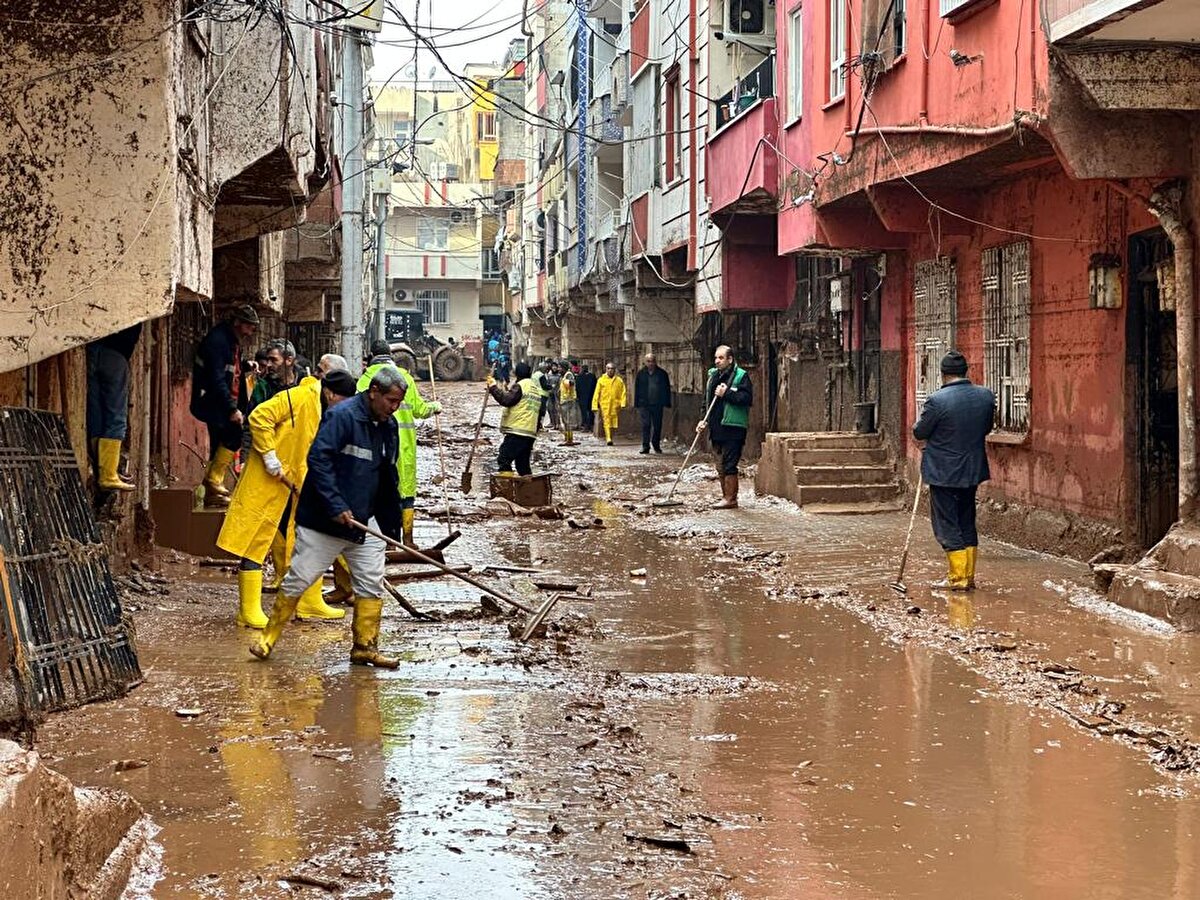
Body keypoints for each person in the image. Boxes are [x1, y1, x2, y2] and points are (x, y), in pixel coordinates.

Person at [250, 367, 408, 668]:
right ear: (373, 391)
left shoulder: (389, 425)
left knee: (371, 583)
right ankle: (268, 638)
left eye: (398, 402)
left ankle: (365, 647)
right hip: (325, 520)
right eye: (390, 400)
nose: (394, 407)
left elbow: (388, 474)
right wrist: (336, 506)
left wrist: (391, 522)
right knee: (300, 577)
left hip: (366, 520)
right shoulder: (342, 417)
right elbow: (318, 460)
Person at [216, 367, 358, 628]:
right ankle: (248, 610)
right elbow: (259, 417)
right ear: (330, 392)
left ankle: (309, 601)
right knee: (255, 542)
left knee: (306, 541)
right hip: (268, 481)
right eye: (342, 401)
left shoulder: (327, 410)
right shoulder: (297, 398)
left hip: (296, 487)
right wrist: (270, 456)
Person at [912, 350, 996, 591]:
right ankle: (968, 576)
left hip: (944, 472)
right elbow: (986, 428)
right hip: (972, 470)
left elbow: (920, 432)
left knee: (947, 524)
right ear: (965, 371)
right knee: (966, 521)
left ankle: (958, 579)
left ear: (943, 374)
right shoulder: (985, 396)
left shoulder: (937, 401)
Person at [355, 339, 441, 547]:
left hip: (374, 444)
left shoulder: (365, 381)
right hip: (405, 444)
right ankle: (408, 540)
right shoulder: (405, 379)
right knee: (406, 489)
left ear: (371, 356)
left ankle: (385, 541)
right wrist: (435, 406)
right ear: (391, 357)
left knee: (379, 489)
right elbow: (420, 410)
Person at [191, 304, 259, 507]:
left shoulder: (230, 341)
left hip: (220, 400)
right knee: (232, 436)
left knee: (220, 442)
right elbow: (217, 378)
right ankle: (213, 481)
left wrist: (246, 365)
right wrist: (231, 409)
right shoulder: (218, 341)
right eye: (249, 326)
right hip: (213, 401)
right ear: (237, 323)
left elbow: (230, 369)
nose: (251, 331)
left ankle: (211, 489)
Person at [87, 322, 142, 492]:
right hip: (116, 355)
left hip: (92, 350)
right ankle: (109, 474)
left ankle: (99, 465)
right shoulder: (136, 307)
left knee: (96, 411)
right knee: (116, 416)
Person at [697, 345, 753, 509]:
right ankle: (725, 496)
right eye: (716, 358)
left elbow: (746, 399)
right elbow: (705, 400)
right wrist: (702, 420)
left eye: (721, 358)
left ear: (730, 359)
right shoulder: (712, 376)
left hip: (733, 427)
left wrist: (727, 393)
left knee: (729, 464)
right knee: (720, 464)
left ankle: (731, 499)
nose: (717, 361)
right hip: (716, 427)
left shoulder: (741, 376)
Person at [488, 362, 546, 475]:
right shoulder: (535, 389)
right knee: (522, 465)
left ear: (516, 373)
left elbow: (506, 400)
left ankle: (507, 490)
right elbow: (540, 412)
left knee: (504, 459)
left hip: (518, 431)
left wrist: (493, 387)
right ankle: (530, 490)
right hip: (530, 433)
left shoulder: (521, 386)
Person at [634, 353, 672, 455]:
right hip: (644, 404)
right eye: (648, 361)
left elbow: (666, 389)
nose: (651, 363)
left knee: (657, 425)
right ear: (645, 362)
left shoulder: (662, 374)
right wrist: (636, 403)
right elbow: (637, 389)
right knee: (646, 425)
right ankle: (645, 446)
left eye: (652, 361)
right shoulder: (641, 374)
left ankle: (656, 445)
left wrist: (667, 402)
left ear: (656, 361)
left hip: (657, 404)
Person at [592, 362, 627, 446]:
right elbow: (597, 393)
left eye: (612, 369)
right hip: (605, 404)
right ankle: (608, 438)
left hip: (616, 405)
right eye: (608, 368)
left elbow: (623, 392)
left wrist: (623, 403)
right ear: (606, 369)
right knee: (606, 421)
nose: (610, 370)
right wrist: (594, 405)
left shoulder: (619, 381)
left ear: (615, 370)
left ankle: (611, 436)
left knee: (614, 423)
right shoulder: (601, 380)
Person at [558, 362, 581, 446]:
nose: (558, 369)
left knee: (568, 421)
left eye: (560, 367)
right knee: (565, 421)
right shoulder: (564, 376)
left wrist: (566, 382)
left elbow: (571, 383)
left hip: (568, 401)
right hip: (565, 400)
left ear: (563, 368)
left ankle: (569, 439)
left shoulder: (568, 375)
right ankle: (567, 438)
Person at [576, 364, 597, 432]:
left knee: (584, 412)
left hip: (582, 397)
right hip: (591, 396)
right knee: (591, 411)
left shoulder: (579, 377)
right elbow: (595, 386)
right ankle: (591, 426)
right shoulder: (592, 376)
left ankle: (585, 426)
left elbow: (577, 388)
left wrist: (577, 396)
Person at [545, 361, 563, 430]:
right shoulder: (549, 375)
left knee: (556, 410)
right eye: (553, 366)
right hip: (550, 394)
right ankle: (552, 423)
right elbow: (547, 384)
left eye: (555, 366)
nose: (554, 367)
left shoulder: (559, 376)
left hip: (557, 394)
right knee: (550, 409)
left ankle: (557, 424)